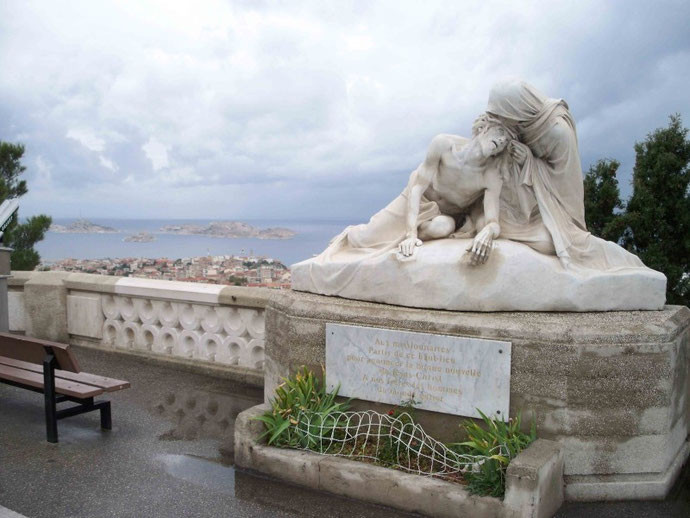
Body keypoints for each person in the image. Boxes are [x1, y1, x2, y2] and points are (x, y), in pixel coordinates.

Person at [485, 79, 644, 270]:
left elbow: (564, 181)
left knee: (574, 243)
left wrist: (528, 161)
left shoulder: (557, 132)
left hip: (554, 205)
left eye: (503, 115)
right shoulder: (521, 123)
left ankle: (626, 263)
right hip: (525, 195)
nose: (500, 120)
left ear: (516, 109)